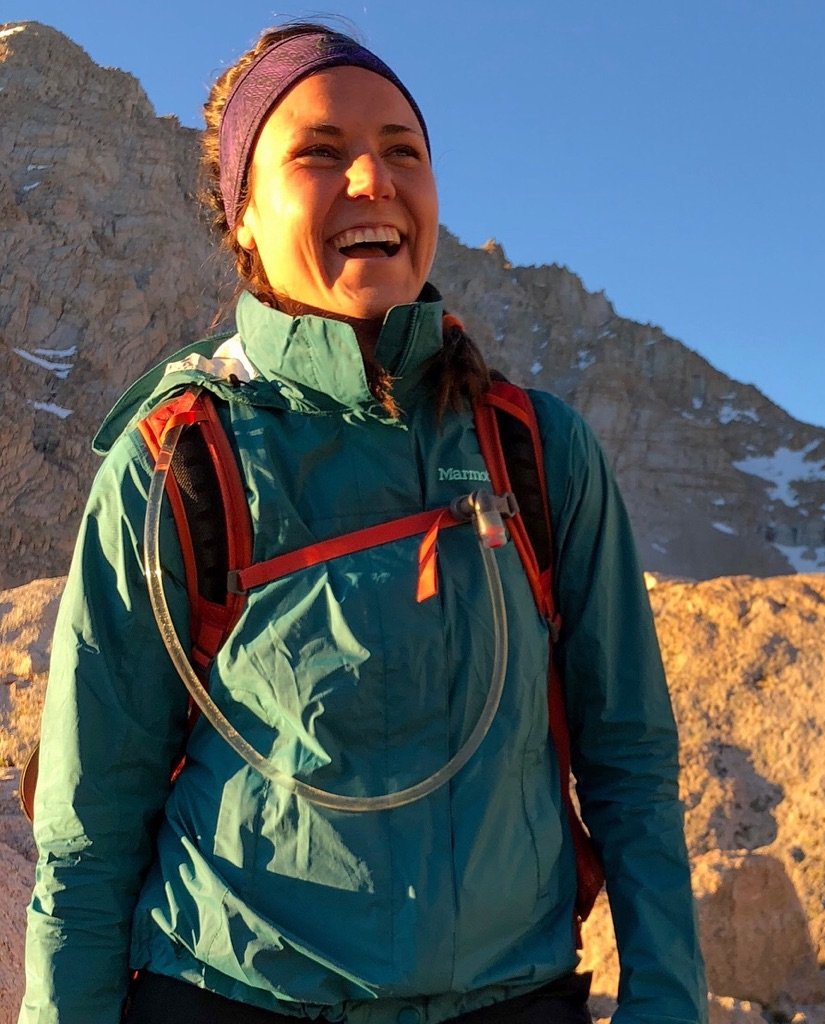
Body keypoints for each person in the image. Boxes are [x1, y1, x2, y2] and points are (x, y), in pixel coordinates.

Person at [20, 22, 707, 1024]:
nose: (370, 180)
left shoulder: (540, 451)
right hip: (228, 999)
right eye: (318, 153)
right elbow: (88, 825)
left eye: (402, 150)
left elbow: (630, 762)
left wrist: (667, 1001)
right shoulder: (177, 462)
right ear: (241, 217)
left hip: (509, 1002)